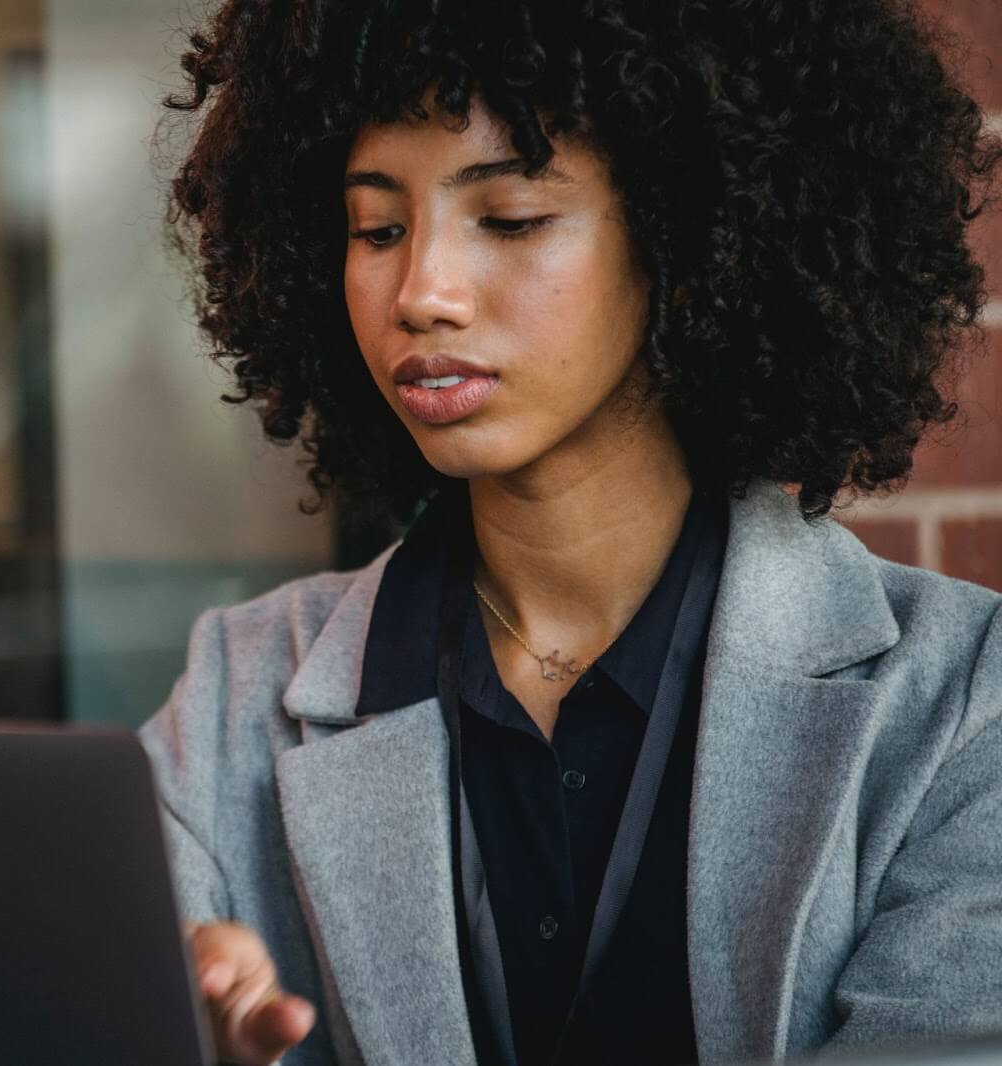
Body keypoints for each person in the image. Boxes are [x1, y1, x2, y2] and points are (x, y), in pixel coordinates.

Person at [137, 1, 1002, 1063]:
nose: (422, 293)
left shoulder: (962, 703)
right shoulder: (239, 692)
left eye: (507, 219)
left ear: (686, 237)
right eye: (376, 228)